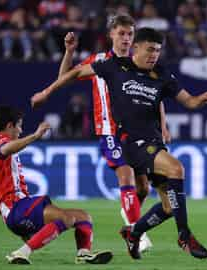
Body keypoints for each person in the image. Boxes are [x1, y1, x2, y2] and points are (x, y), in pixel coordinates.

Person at [31, 27, 207, 260]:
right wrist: (46, 92)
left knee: (169, 207)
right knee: (176, 168)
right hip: (131, 142)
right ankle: (184, 236)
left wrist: (201, 99)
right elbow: (75, 73)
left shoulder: (162, 75)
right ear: (135, 48)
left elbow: (188, 101)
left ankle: (134, 233)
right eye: (150, 49)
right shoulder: (114, 66)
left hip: (154, 143)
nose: (154, 55)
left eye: (158, 51)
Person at [57, 14, 172, 252]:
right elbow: (63, 78)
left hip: (138, 132)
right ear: (111, 34)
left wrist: (163, 125)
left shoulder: (139, 62)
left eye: (130, 34)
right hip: (110, 131)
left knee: (142, 188)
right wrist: (69, 52)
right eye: (121, 33)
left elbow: (155, 95)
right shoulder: (99, 61)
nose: (126, 39)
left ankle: (129, 213)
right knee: (126, 177)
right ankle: (135, 232)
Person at [0, 105, 113, 265]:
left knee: (83, 217)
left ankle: (83, 253)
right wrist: (35, 136)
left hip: (20, 208)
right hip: (16, 208)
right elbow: (6, 149)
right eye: (19, 125)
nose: (21, 130)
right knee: (66, 219)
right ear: (10, 126)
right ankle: (20, 253)